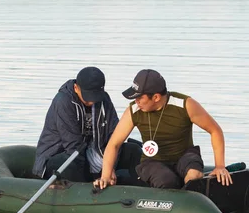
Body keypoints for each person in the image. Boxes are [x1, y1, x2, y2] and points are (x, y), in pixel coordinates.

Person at [93, 69, 233, 189]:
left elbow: (215, 130)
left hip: (185, 156)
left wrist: (220, 166)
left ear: (156, 97)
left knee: (194, 175)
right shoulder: (134, 110)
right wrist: (105, 175)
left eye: (139, 98)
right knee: (167, 181)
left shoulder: (185, 105)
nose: (136, 102)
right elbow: (114, 144)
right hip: (152, 162)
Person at [33, 66, 140, 183]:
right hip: (61, 154)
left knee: (133, 151)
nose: (92, 102)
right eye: (88, 98)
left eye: (95, 97)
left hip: (93, 152)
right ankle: (88, 190)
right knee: (71, 161)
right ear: (76, 88)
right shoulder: (63, 102)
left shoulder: (104, 99)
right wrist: (96, 178)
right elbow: (73, 145)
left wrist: (109, 168)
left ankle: (144, 190)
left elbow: (113, 136)